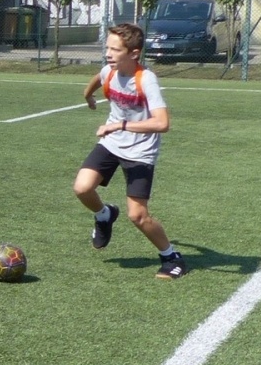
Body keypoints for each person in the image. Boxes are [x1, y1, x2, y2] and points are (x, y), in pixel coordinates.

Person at [75, 22, 188, 280]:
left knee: (138, 215)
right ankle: (104, 216)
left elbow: (162, 123)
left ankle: (171, 256)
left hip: (140, 152)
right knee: (82, 188)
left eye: (115, 50)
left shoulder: (146, 79)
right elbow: (97, 79)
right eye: (107, 48)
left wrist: (120, 124)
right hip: (112, 144)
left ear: (134, 53)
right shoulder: (109, 72)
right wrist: (87, 95)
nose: (108, 54)